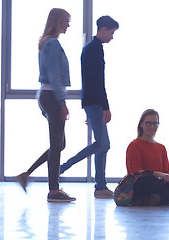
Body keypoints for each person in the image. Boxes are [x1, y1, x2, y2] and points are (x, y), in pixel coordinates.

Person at [16, 8, 76, 202]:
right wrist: (62, 102)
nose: (68, 25)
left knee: (59, 144)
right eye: (66, 21)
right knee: (56, 144)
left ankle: (26, 175)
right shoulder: (53, 44)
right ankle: (53, 191)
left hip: (47, 95)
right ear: (57, 21)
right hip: (51, 96)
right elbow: (54, 76)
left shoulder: (47, 43)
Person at [58, 16, 119, 199]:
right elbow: (97, 81)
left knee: (103, 145)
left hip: (92, 102)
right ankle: (62, 167)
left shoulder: (90, 48)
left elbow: (90, 81)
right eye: (112, 32)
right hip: (95, 102)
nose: (112, 37)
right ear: (104, 29)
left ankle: (100, 186)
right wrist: (104, 107)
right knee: (102, 144)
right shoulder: (94, 49)